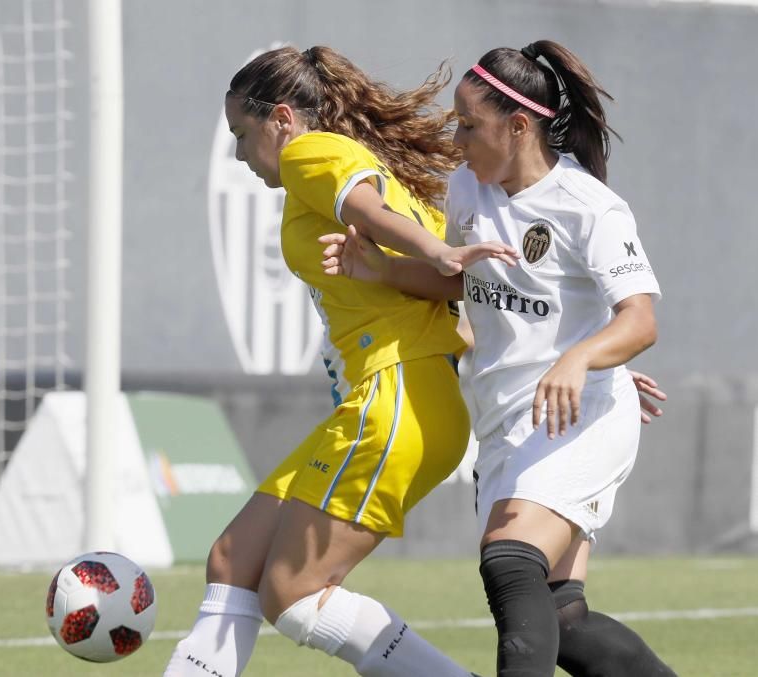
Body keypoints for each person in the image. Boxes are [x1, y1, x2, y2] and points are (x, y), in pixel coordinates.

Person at [322, 40, 676, 676]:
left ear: (518, 126)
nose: (457, 139)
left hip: (581, 417)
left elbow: (639, 318)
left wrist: (584, 361)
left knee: (509, 559)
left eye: (468, 124)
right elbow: (467, 286)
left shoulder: (588, 206)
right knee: (562, 618)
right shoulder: (469, 189)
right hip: (505, 420)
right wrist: (379, 270)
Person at [164, 45, 520, 677]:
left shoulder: (309, 151)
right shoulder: (362, 168)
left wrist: (433, 251)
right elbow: (461, 293)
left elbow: (372, 214)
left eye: (242, 137)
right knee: (233, 559)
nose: (242, 156)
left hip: (395, 396)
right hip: (402, 400)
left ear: (281, 117)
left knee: (295, 596)